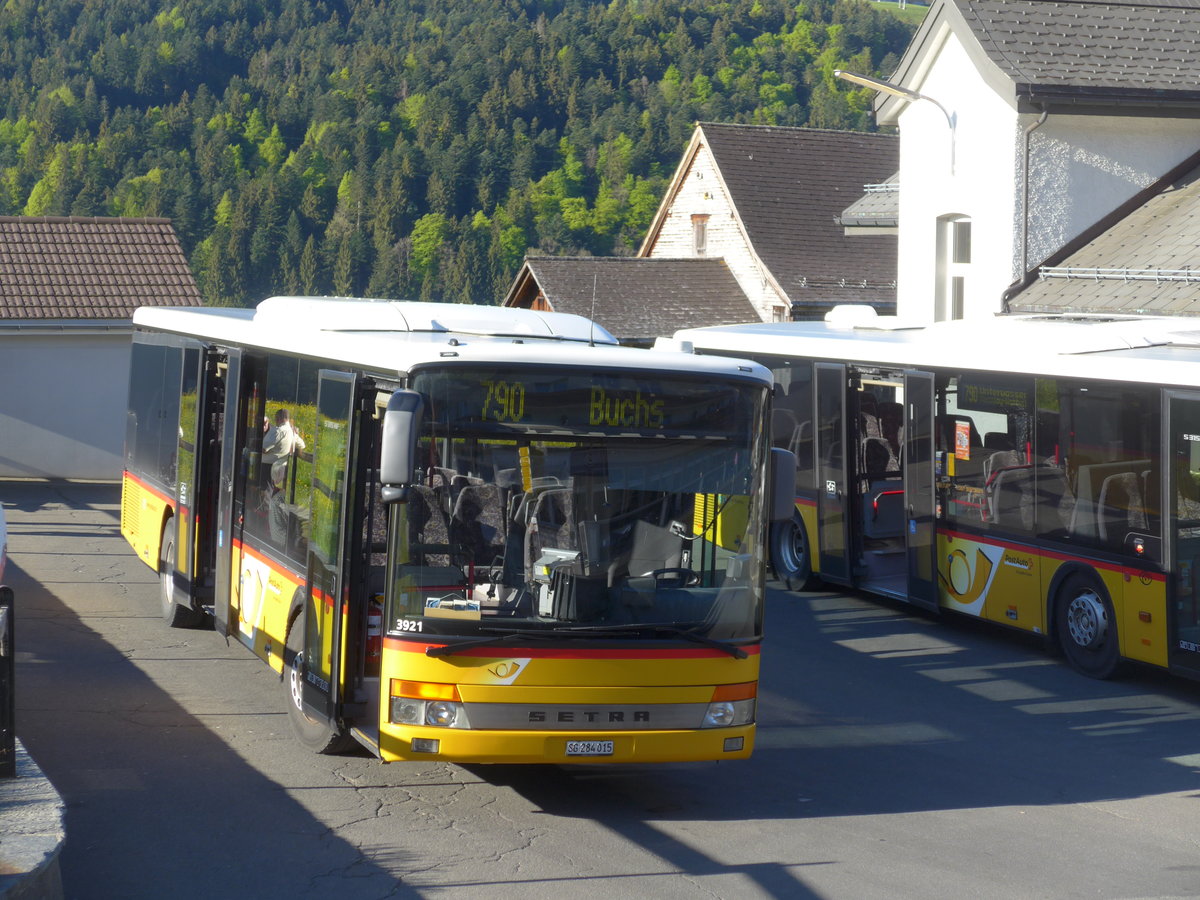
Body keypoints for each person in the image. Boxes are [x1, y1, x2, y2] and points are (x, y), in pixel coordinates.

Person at [262, 408, 305, 492]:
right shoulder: (291, 432)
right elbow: (302, 445)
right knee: (270, 492)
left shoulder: (278, 431)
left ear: (278, 418)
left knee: (265, 493)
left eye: (276, 419)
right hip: (281, 468)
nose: (276, 422)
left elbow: (264, 449)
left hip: (267, 467)